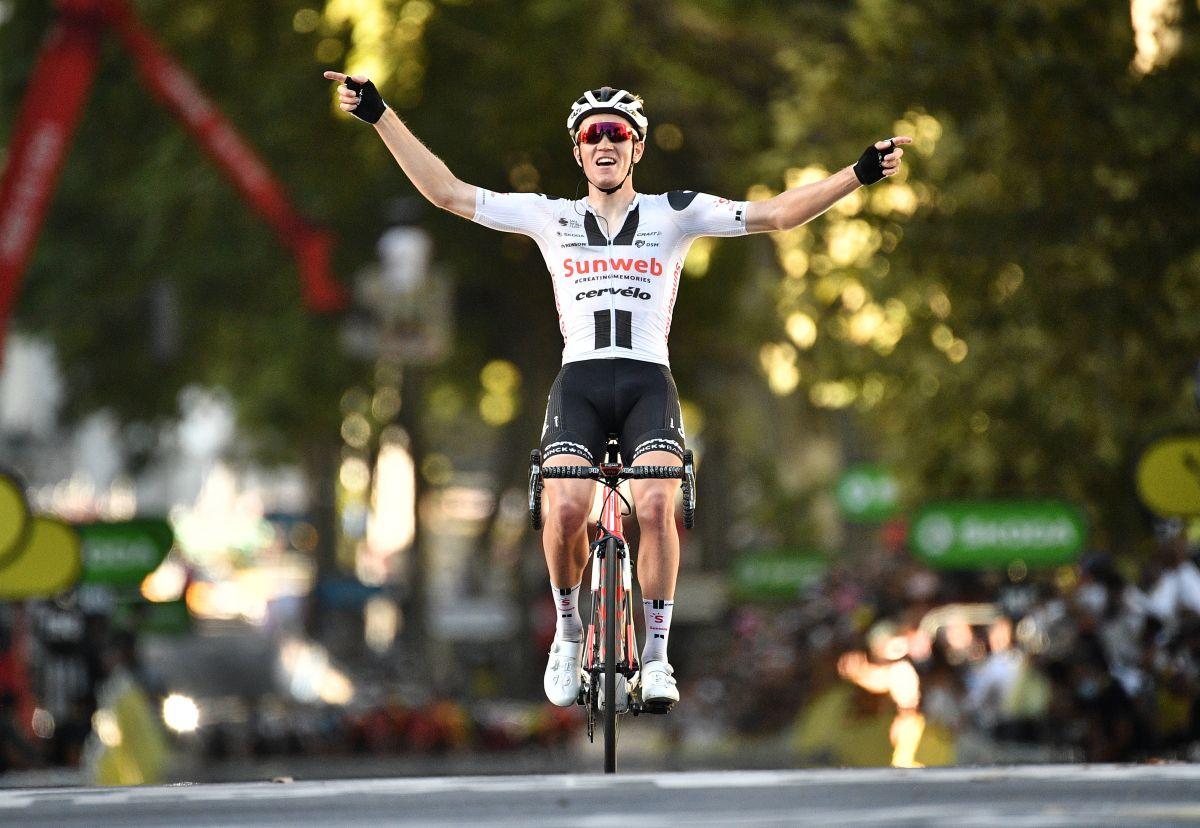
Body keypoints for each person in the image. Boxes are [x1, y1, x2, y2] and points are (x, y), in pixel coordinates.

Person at [323, 71, 909, 710]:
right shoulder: (549, 216)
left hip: (645, 383)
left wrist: (859, 173)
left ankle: (656, 659)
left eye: (619, 134)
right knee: (567, 508)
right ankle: (569, 634)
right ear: (578, 152)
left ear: (637, 150)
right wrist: (379, 114)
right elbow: (446, 194)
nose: (605, 142)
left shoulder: (675, 212)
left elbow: (774, 214)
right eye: (592, 134)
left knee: (657, 507)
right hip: (579, 383)